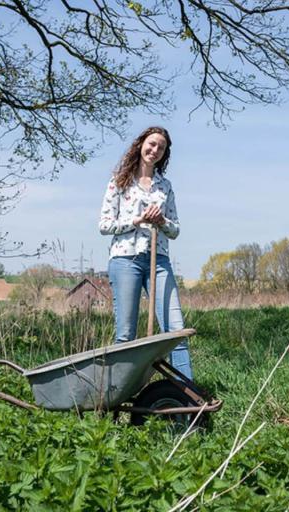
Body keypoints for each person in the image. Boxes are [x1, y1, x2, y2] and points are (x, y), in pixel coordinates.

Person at [99, 126, 193, 379]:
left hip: (158, 260)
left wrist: (161, 221)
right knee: (125, 334)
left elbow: (175, 229)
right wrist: (137, 219)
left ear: (165, 154)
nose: (155, 150)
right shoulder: (119, 181)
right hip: (125, 259)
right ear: (141, 144)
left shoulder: (165, 186)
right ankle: (118, 393)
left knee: (175, 329)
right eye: (152, 144)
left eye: (161, 148)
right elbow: (105, 225)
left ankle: (187, 396)